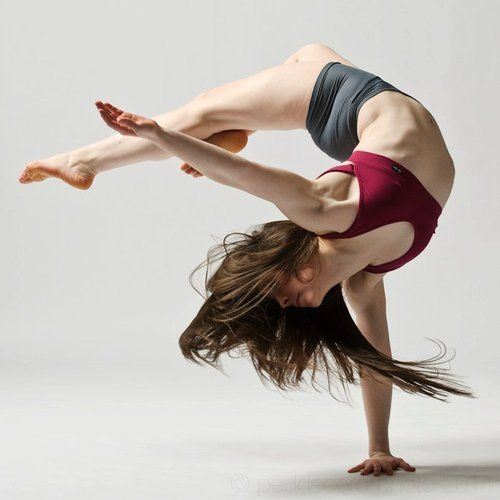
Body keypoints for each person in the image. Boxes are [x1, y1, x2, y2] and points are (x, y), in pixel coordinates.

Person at [18, 43, 474, 476]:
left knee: (204, 109)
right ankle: (239, 128)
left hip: (347, 101)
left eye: (273, 293)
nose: (284, 304)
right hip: (360, 124)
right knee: (306, 54)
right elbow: (375, 360)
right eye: (279, 306)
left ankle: (85, 161)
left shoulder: (325, 211)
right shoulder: (365, 281)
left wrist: (163, 135)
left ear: (279, 264)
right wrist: (379, 448)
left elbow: (246, 177)